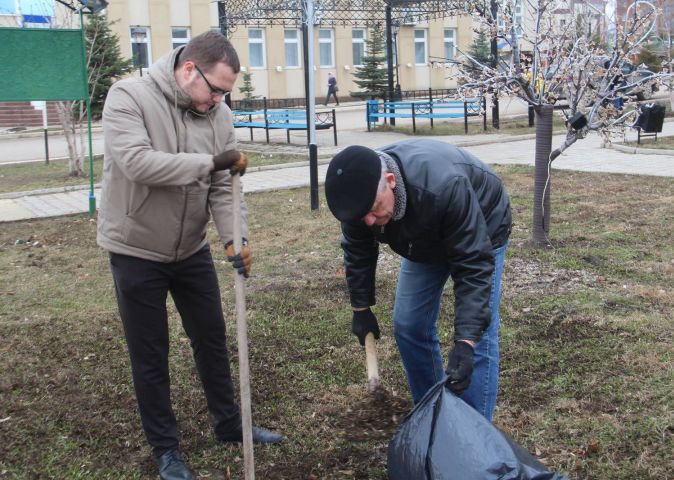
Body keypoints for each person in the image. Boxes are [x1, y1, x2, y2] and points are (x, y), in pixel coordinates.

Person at [97, 31, 282, 480]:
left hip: (190, 248)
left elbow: (224, 187)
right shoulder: (129, 97)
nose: (219, 100)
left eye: (226, 92)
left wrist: (234, 238)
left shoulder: (218, 115)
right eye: (215, 89)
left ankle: (229, 423)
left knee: (211, 337)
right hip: (135, 247)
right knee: (150, 352)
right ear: (188, 71)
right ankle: (167, 450)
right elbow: (138, 163)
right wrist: (210, 163)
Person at [324, 139, 512, 422]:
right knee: (409, 324)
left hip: (482, 224)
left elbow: (473, 264)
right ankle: (432, 414)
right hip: (422, 236)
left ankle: (475, 436)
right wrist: (361, 309)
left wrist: (465, 341)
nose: (371, 221)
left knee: (479, 336)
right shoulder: (359, 199)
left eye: (375, 210)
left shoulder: (444, 186)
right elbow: (358, 250)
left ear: (390, 181)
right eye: (363, 217)